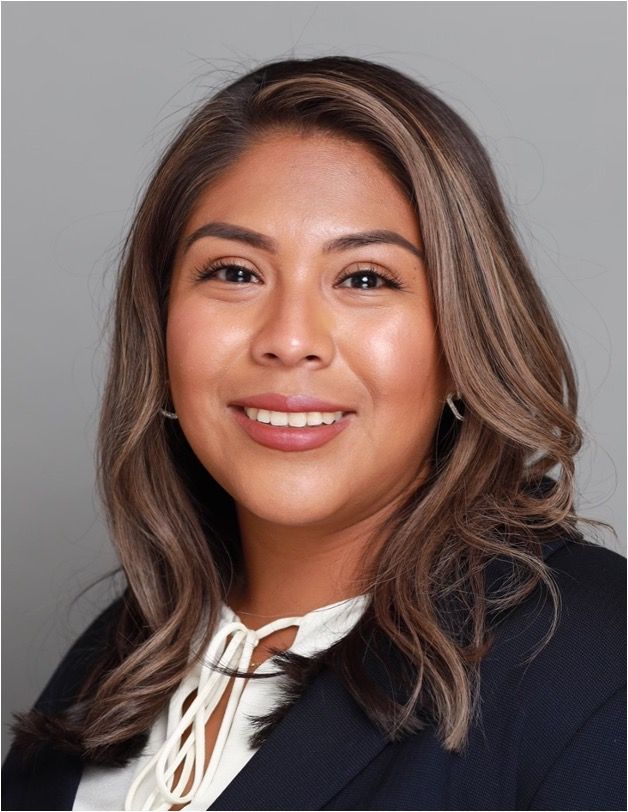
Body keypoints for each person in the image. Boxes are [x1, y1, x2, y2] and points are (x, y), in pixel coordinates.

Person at [2, 55, 625, 811]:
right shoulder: (118, 658)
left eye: (365, 278)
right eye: (235, 272)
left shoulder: (598, 666)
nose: (290, 340)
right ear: (161, 332)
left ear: (464, 340)